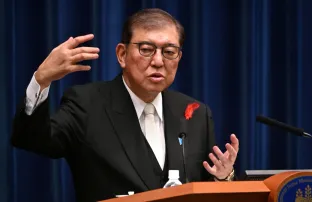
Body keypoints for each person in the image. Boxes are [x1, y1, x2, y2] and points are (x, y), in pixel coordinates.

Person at [11, 8, 239, 201]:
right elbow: (34, 140)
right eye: (146, 50)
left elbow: (206, 189)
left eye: (169, 52)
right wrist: (41, 80)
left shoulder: (195, 113)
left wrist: (223, 177)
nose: (158, 61)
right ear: (122, 55)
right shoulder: (87, 104)